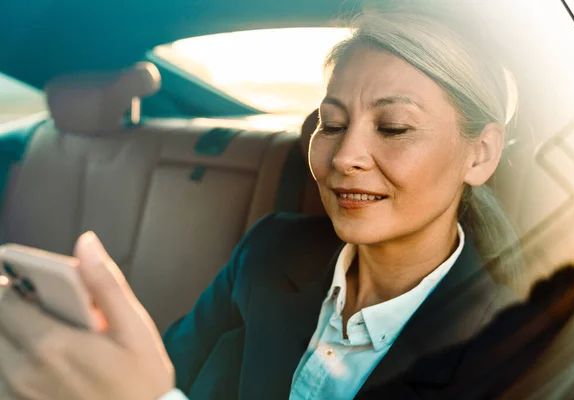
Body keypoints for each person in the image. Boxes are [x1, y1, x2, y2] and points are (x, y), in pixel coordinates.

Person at [0, 3, 524, 400]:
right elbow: (172, 367)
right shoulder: (271, 247)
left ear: (479, 154)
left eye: (394, 127)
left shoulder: (509, 348)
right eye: (332, 124)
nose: (344, 157)